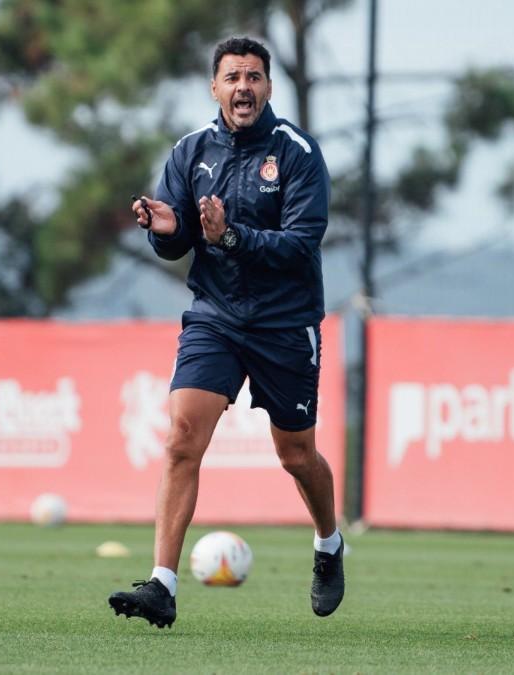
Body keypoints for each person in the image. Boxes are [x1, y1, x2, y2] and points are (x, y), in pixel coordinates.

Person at [108, 36, 343, 629]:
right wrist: (166, 230)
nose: (244, 86)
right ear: (214, 88)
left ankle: (329, 543)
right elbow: (180, 237)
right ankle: (162, 584)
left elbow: (300, 244)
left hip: (284, 322)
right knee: (182, 438)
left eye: (255, 77)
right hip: (214, 316)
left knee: (296, 455)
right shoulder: (191, 151)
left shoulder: (296, 152)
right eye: (233, 76)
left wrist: (231, 236)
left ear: (269, 88)